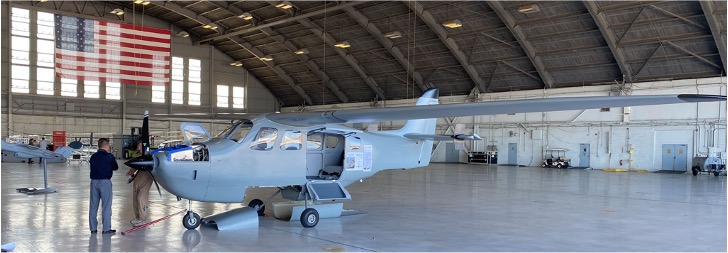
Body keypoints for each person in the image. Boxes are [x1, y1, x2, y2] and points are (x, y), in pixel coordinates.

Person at [89, 138, 118, 234]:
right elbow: (115, 167)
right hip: (105, 183)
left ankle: (93, 228)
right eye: (109, 145)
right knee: (106, 206)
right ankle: (106, 229)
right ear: (106, 146)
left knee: (93, 206)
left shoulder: (93, 157)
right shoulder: (109, 156)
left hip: (93, 182)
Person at [126, 142, 152, 227]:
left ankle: (143, 218)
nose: (138, 147)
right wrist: (130, 172)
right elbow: (135, 166)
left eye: (140, 146)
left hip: (146, 180)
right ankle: (137, 217)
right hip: (137, 180)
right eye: (138, 146)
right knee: (135, 199)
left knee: (141, 198)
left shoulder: (151, 157)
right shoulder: (139, 157)